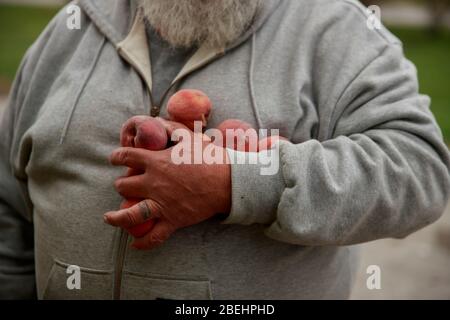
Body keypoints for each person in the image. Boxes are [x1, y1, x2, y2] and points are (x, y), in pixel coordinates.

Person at [0, 0, 449, 300]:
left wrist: (237, 182)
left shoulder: (334, 25)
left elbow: (419, 168)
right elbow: (9, 199)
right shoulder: (74, 25)